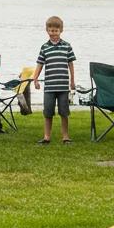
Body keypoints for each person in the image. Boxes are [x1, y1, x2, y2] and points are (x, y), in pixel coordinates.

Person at [32, 15, 76, 145]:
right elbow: (40, 64)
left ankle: (65, 137)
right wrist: (35, 79)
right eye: (51, 30)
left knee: (64, 113)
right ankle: (46, 137)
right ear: (47, 30)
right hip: (49, 87)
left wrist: (72, 81)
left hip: (63, 87)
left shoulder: (67, 46)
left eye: (56, 30)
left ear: (61, 30)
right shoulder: (44, 47)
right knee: (48, 113)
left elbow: (71, 65)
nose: (53, 33)